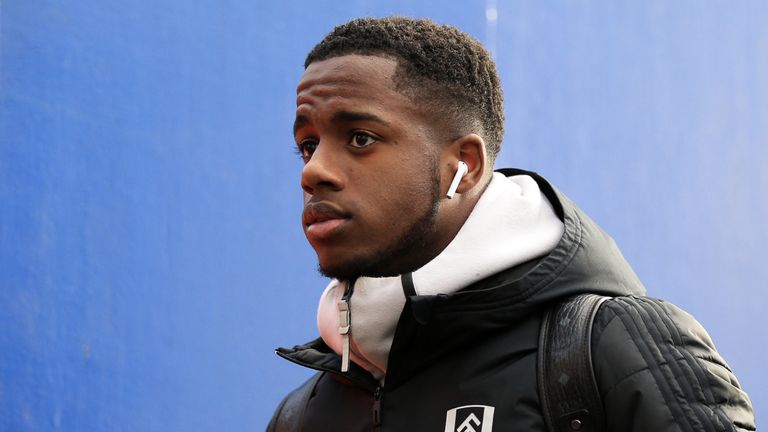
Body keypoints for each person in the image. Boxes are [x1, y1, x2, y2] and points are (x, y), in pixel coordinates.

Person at [269, 16, 755, 432]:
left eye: (359, 138)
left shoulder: (611, 348)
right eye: (307, 146)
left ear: (464, 166)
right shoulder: (300, 413)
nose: (313, 172)